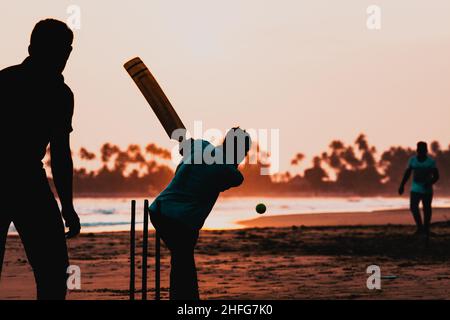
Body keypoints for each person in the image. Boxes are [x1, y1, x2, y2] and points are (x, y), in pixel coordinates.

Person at [0, 19, 80, 300]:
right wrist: (66, 206)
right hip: (23, 182)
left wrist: (67, 206)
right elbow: (59, 155)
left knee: (55, 271)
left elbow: (60, 154)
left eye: (66, 51)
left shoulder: (59, 94)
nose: (63, 57)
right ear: (33, 48)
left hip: (29, 182)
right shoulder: (56, 93)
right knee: (54, 272)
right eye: (57, 51)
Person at [149, 127, 251, 300]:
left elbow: (183, 156)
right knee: (184, 262)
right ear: (239, 151)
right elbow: (235, 178)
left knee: (182, 260)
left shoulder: (201, 145)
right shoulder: (229, 171)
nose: (244, 157)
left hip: (158, 209)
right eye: (244, 152)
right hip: (181, 220)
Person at [398, 141, 439, 237]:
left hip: (427, 190)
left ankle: (426, 229)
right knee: (413, 207)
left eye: (423, 150)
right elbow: (407, 174)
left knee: (427, 209)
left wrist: (429, 183)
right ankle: (420, 228)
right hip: (415, 188)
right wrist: (402, 185)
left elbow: (436, 176)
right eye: (419, 150)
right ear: (417, 150)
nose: (421, 152)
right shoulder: (412, 160)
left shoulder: (430, 162)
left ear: (426, 151)